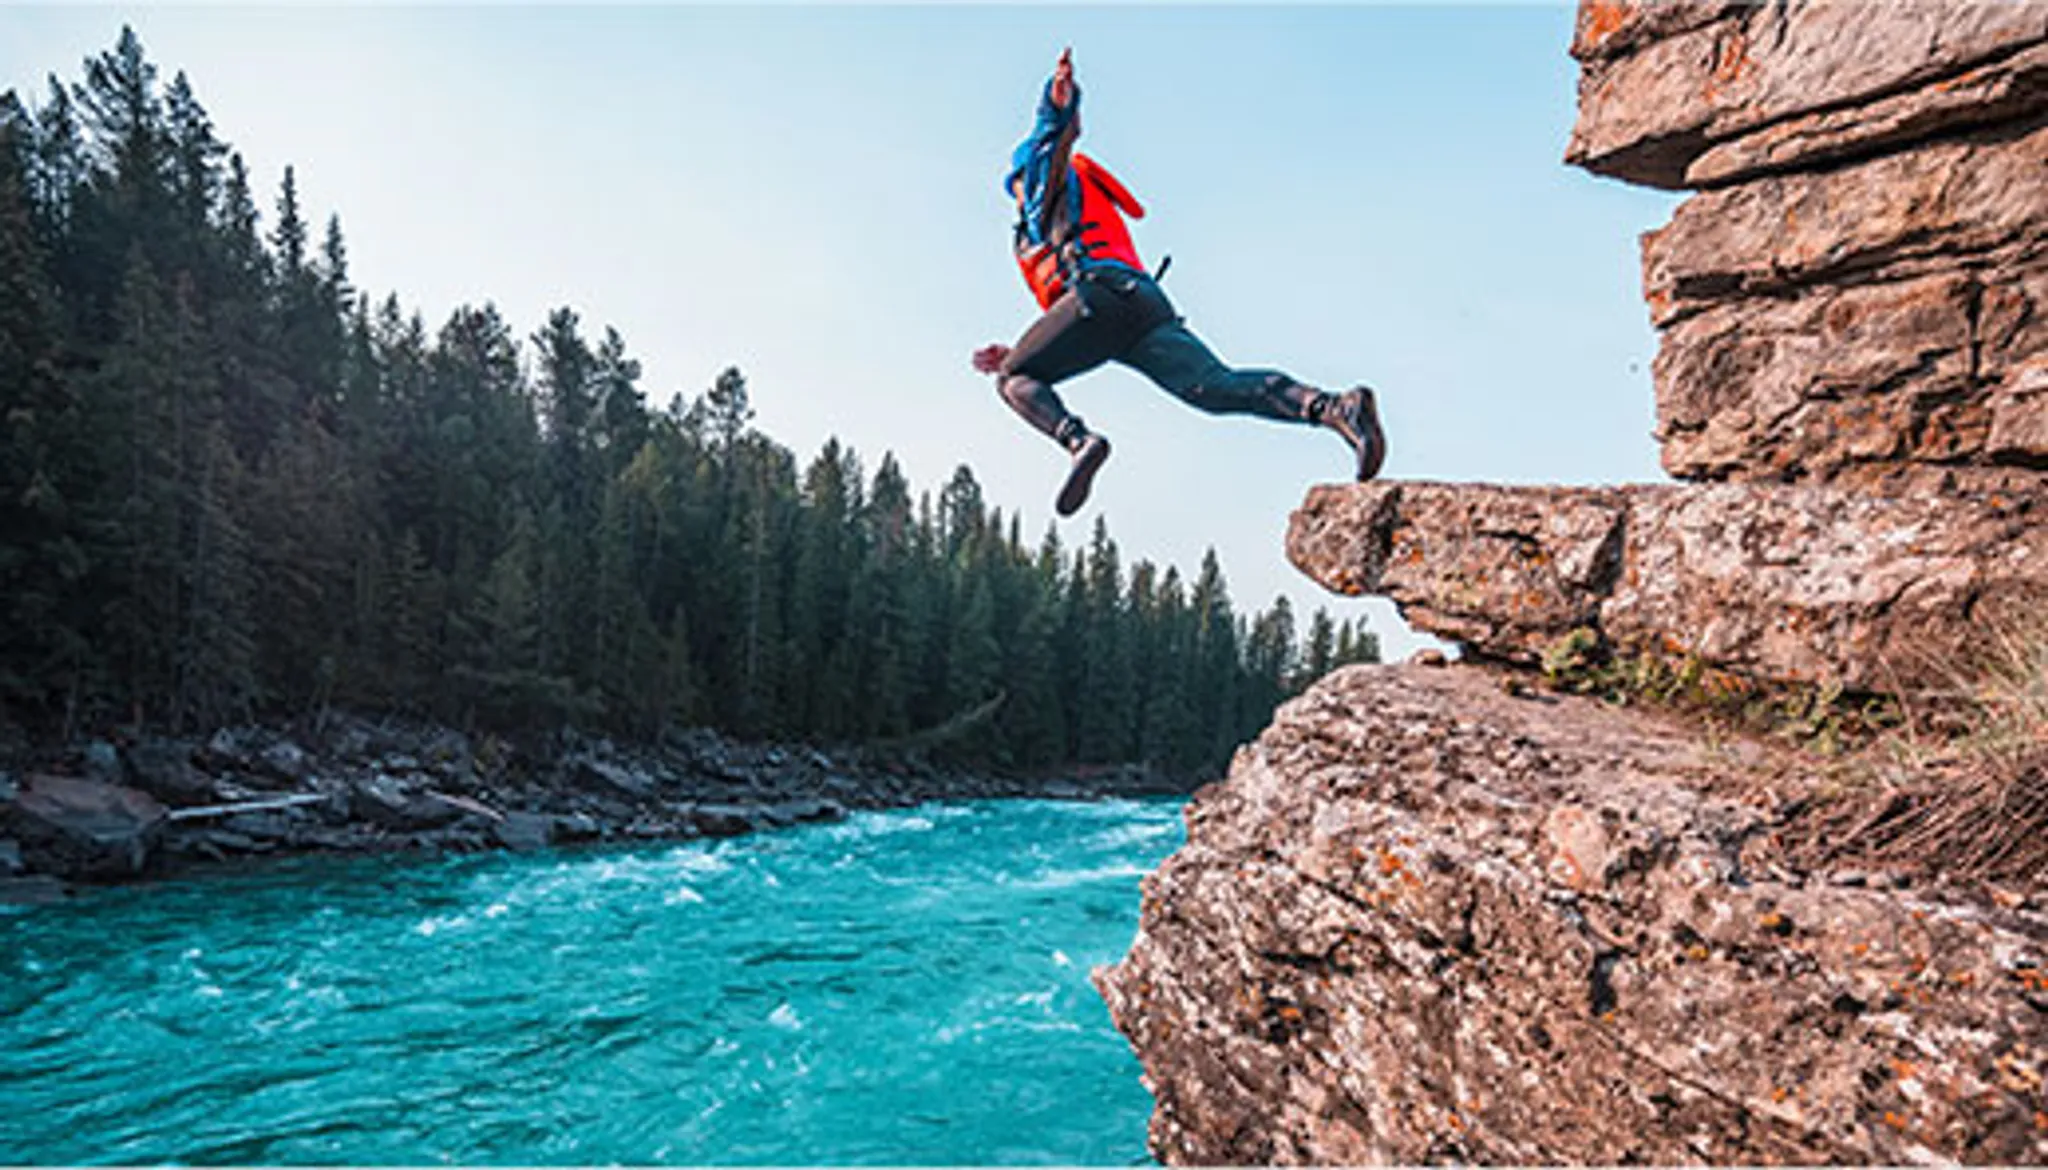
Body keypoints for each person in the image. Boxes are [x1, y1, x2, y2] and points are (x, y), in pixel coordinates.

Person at [973, 48, 1388, 517]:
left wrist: (1057, 104)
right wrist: (1027, 349)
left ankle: (1079, 442)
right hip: (1138, 306)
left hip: (1100, 297)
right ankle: (1335, 408)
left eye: (1017, 184)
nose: (1019, 192)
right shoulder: (1071, 207)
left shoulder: (1047, 186)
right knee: (1212, 387)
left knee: (1014, 379)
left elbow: (1052, 144)